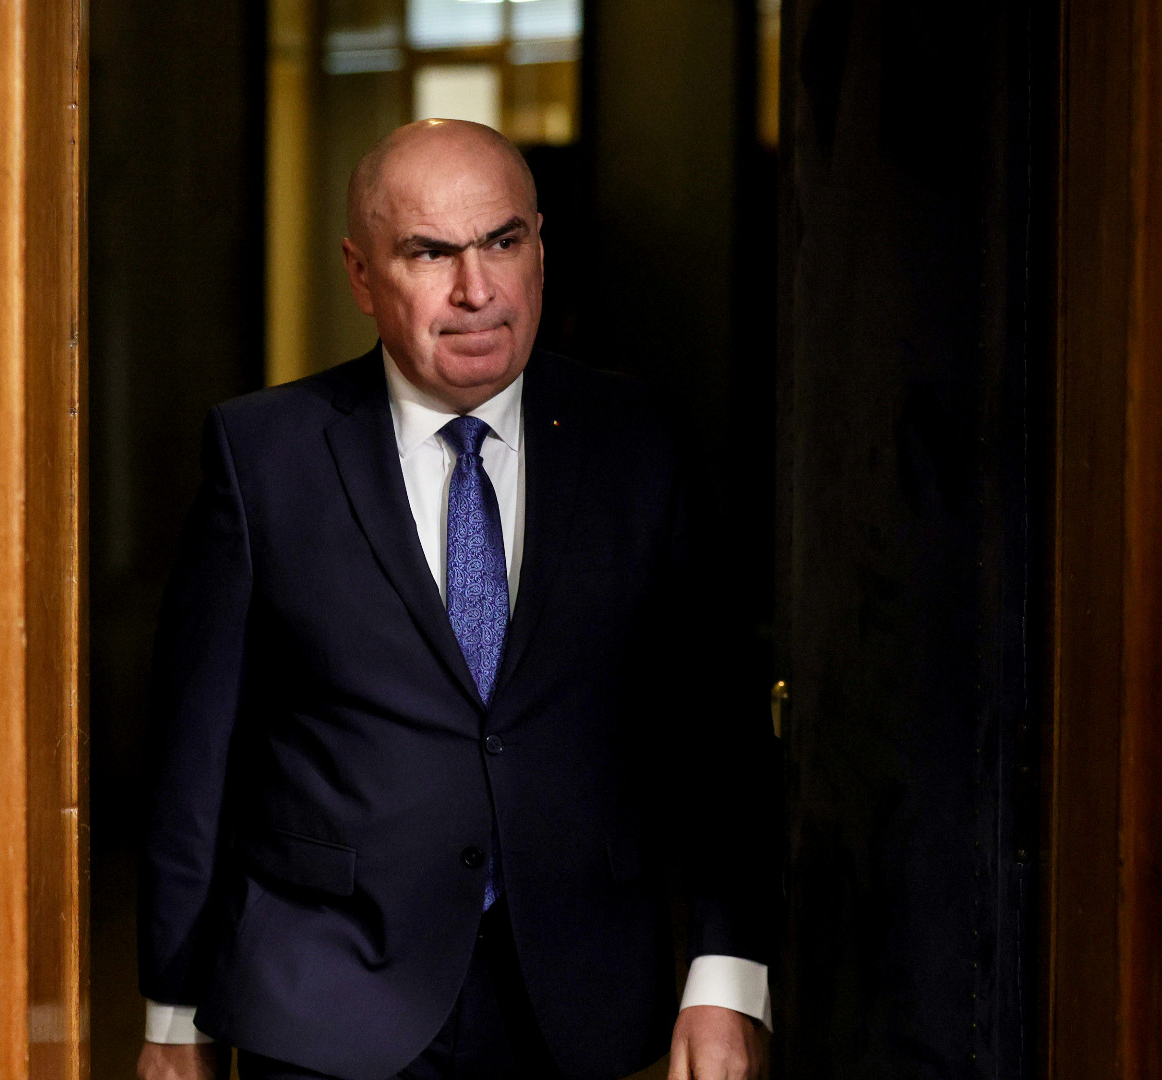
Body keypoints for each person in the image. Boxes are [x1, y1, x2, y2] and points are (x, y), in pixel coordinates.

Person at [136, 119, 775, 1080]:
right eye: (430, 253)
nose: (476, 290)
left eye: (502, 242)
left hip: (577, 1000)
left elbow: (716, 730)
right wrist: (174, 1019)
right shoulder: (262, 454)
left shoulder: (640, 441)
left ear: (540, 249)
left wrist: (727, 974)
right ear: (361, 276)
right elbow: (193, 758)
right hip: (321, 1002)